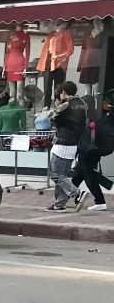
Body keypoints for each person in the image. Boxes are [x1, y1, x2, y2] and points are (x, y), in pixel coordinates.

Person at [45, 81, 87, 211]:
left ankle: (77, 193)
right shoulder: (82, 104)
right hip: (74, 143)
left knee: (55, 175)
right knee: (62, 176)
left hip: (62, 143)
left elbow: (51, 118)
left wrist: (56, 106)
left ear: (63, 92)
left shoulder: (66, 105)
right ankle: (60, 203)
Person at [74, 94, 114, 212]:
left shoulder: (93, 117)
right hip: (94, 150)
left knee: (87, 174)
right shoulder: (101, 116)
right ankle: (65, 196)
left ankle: (100, 200)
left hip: (89, 150)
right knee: (79, 173)